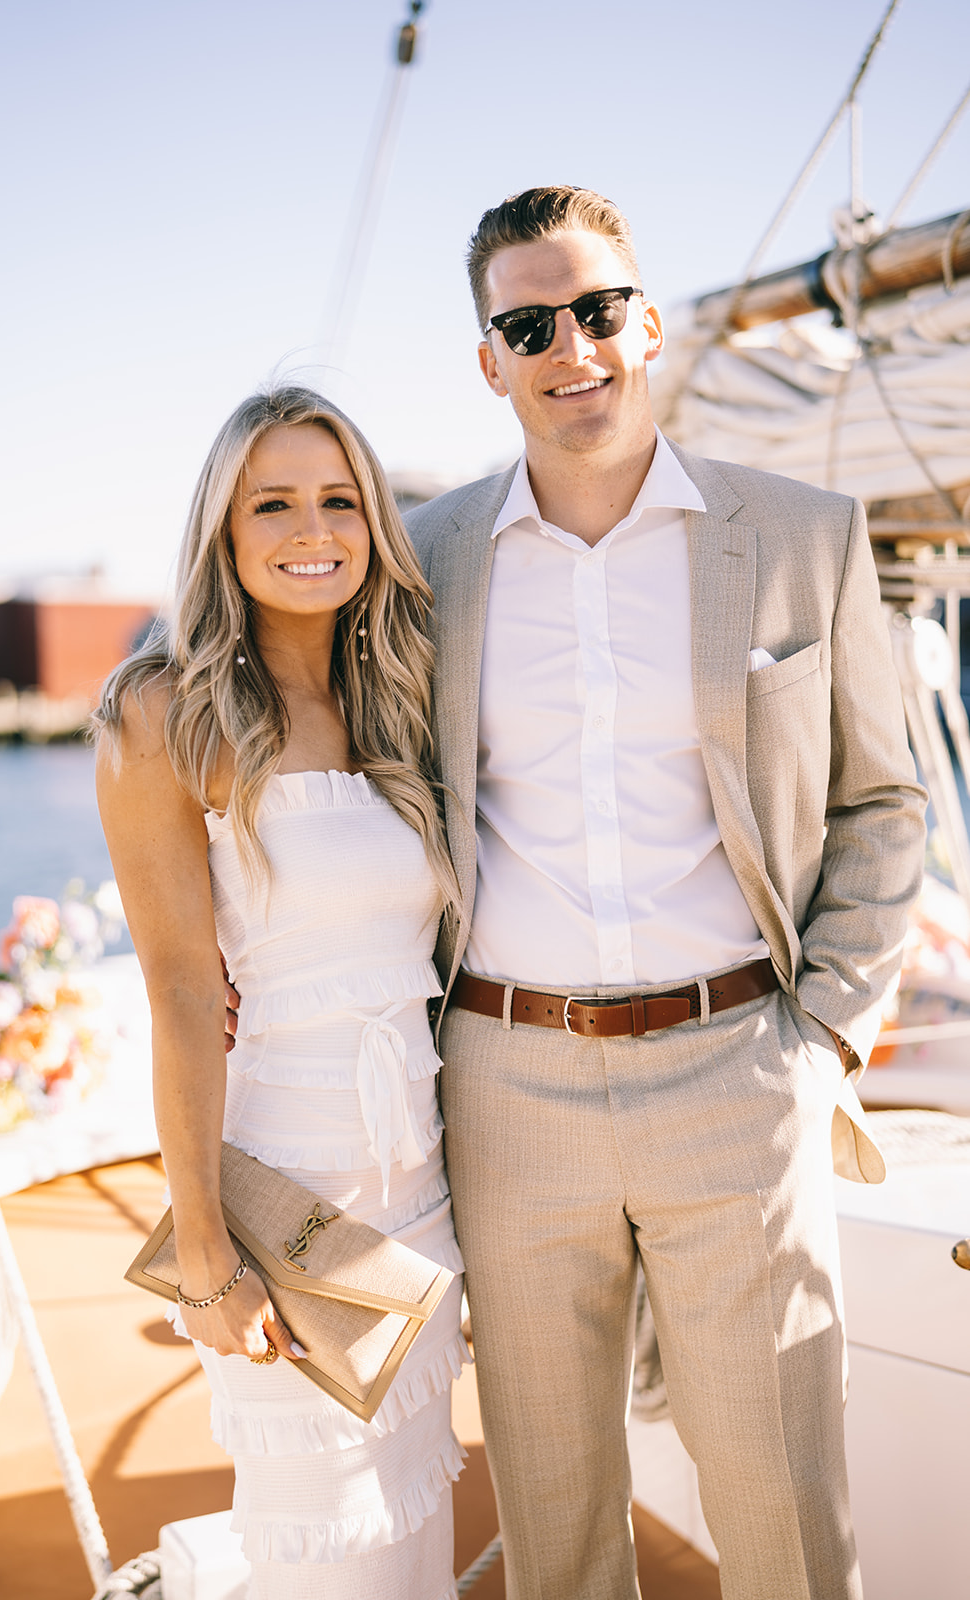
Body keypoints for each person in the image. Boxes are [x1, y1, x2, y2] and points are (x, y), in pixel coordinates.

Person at [404, 187, 927, 1600]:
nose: (568, 346)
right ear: (489, 360)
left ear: (645, 324)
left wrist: (815, 1042)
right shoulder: (427, 564)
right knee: (556, 1530)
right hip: (505, 1090)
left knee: (780, 1519)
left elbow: (885, 805)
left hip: (735, 1075)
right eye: (527, 323)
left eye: (595, 309)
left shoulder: (806, 535)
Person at [93, 386, 468, 1600]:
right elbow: (181, 996)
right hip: (283, 1186)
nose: (312, 529)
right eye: (274, 503)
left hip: (417, 1187)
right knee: (318, 1545)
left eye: (338, 500)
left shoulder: (397, 701)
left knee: (411, 1532)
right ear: (225, 532)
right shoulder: (162, 712)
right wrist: (203, 1249)